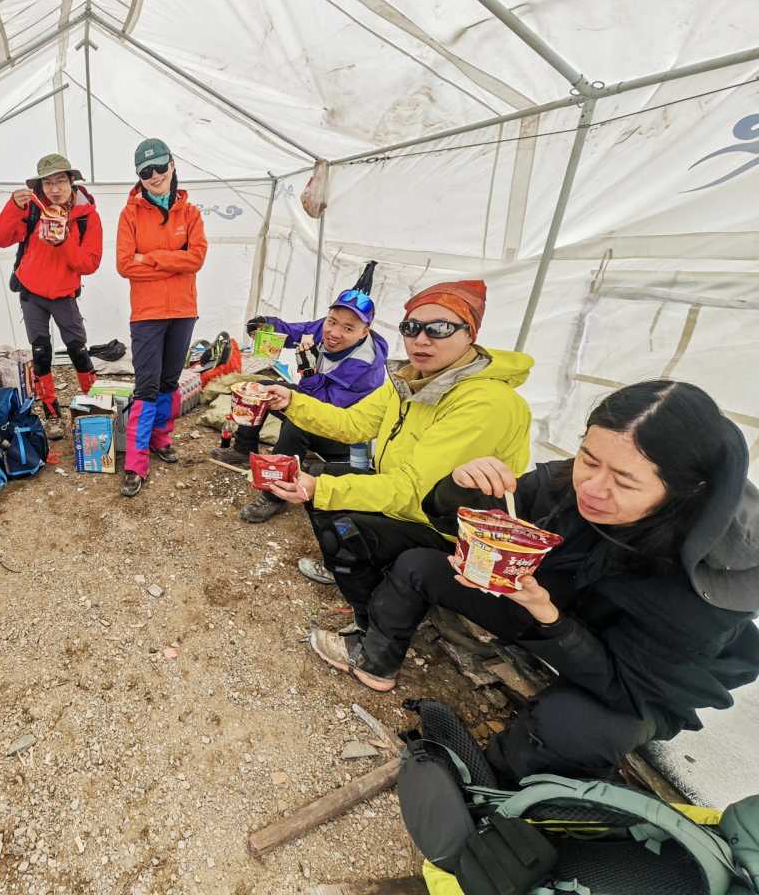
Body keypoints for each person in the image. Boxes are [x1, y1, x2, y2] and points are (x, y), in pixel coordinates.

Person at [308, 381, 759, 782]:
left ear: (686, 490)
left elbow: (625, 685)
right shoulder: (567, 482)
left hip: (637, 680)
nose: (592, 488)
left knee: (569, 730)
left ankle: (493, 790)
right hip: (548, 611)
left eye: (624, 481)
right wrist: (459, 488)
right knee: (419, 565)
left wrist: (548, 614)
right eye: (588, 458)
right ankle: (375, 661)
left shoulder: (708, 585)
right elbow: (475, 516)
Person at [265, 279, 533, 634]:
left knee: (343, 533)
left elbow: (413, 491)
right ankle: (354, 572)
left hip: (446, 525)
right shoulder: (411, 379)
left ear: (470, 333)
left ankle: (371, 630)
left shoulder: (485, 403)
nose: (421, 339)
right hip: (402, 493)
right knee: (320, 483)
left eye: (439, 329)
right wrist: (291, 401)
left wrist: (321, 488)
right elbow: (353, 424)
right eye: (411, 327)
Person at [224, 263, 388, 523]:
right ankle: (243, 448)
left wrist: (309, 373)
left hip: (344, 433)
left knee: (296, 424)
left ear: (364, 332)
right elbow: (295, 332)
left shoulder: (365, 367)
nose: (334, 332)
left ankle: (275, 495)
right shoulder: (326, 328)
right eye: (332, 321)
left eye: (348, 328)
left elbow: (326, 412)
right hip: (315, 404)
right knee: (260, 390)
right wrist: (267, 326)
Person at [115, 138, 208, 497]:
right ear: (138, 176)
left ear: (172, 164)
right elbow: (125, 265)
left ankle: (160, 439)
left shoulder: (191, 213)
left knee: (169, 382)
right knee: (146, 386)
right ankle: (135, 463)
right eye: (145, 172)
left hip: (183, 311)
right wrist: (174, 261)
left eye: (159, 167)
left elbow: (196, 259)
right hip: (148, 314)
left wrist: (150, 258)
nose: (154, 176)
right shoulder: (130, 214)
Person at [0, 153, 102, 439]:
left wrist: (63, 241)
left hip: (64, 294)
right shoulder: (32, 209)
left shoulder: (86, 215)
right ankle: (52, 414)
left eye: (60, 181)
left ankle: (95, 406)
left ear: (72, 181)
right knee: (40, 352)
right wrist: (12, 206)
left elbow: (89, 264)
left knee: (78, 349)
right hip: (32, 292)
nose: (55, 189)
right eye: (48, 183)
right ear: (40, 186)